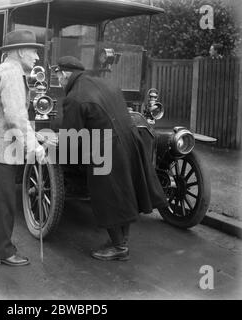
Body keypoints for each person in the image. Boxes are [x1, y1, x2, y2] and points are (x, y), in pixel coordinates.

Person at [54, 56, 168, 261]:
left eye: (58, 77)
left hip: (106, 148)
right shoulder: (105, 83)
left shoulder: (74, 97)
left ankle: (118, 247)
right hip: (131, 140)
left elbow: (70, 139)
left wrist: (57, 153)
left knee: (108, 196)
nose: (59, 82)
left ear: (64, 74)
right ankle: (121, 241)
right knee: (126, 192)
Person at [0, 29, 46, 266]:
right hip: (1, 148)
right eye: (34, 51)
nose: (36, 57)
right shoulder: (13, 73)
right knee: (3, 201)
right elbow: (16, 117)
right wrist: (35, 146)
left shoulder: (0, 69)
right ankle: (3, 252)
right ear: (22, 50)